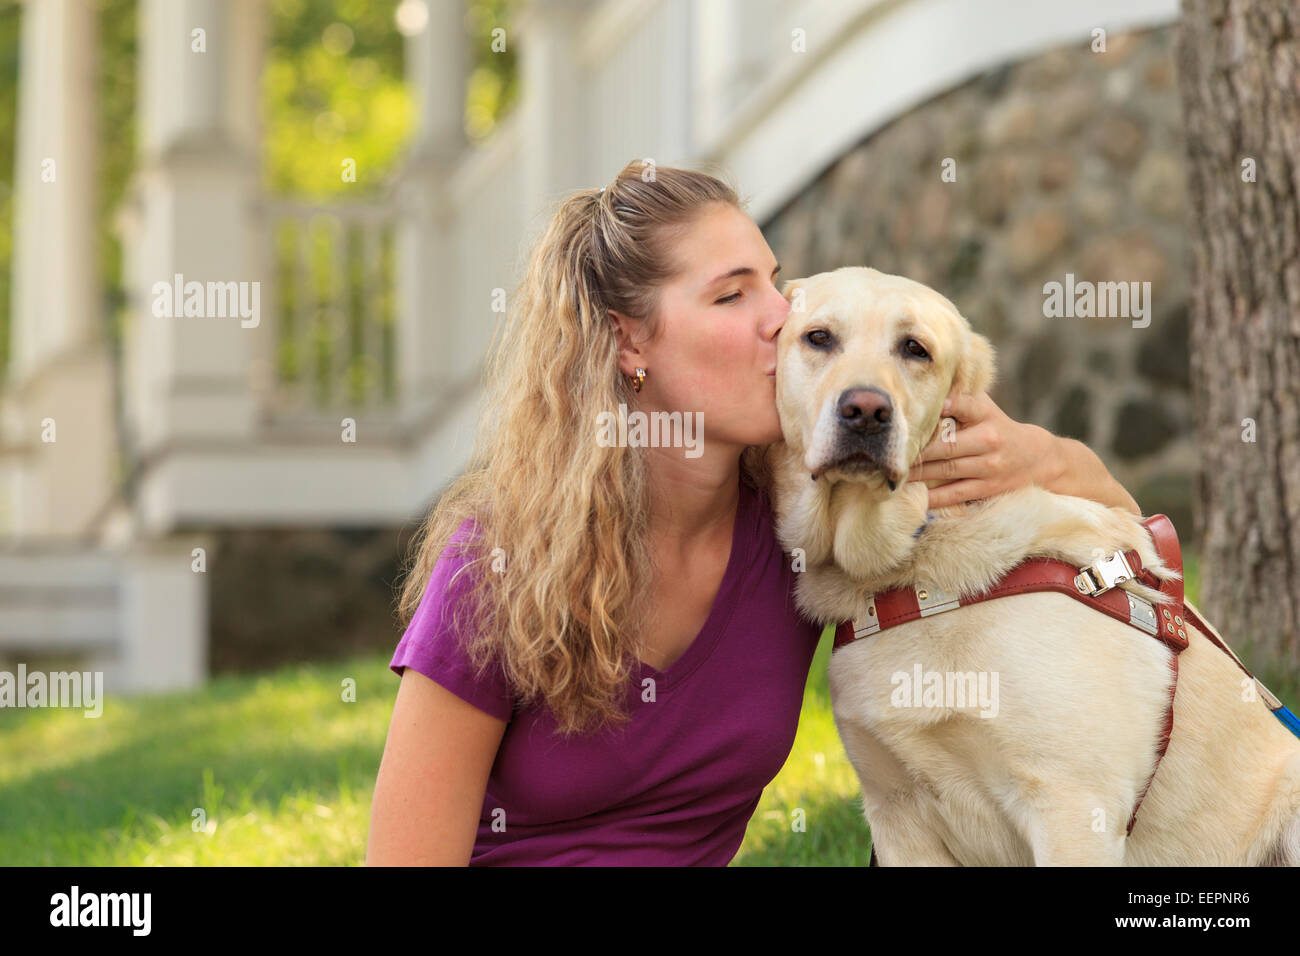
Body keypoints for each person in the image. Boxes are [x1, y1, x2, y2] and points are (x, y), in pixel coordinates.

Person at [365, 159, 1139, 866]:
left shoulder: (803, 527)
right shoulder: (499, 558)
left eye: (774, 282)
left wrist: (1039, 456)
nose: (781, 314)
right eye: (733, 295)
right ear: (629, 341)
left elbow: (1128, 543)